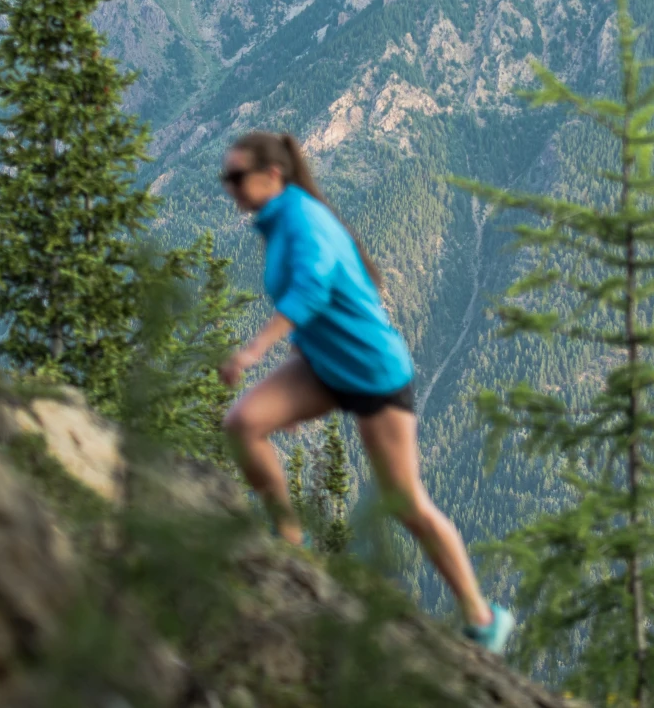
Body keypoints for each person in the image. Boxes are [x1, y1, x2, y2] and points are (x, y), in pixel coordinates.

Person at [218, 130, 516, 655]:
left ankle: (483, 617)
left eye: (237, 176)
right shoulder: (279, 220)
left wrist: (252, 352)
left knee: (407, 503)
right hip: (324, 367)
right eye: (227, 177)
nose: (230, 186)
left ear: (272, 176)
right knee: (243, 424)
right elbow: (323, 311)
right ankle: (289, 541)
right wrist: (294, 393)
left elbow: (310, 293)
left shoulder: (304, 221)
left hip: (375, 374)